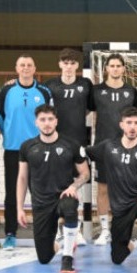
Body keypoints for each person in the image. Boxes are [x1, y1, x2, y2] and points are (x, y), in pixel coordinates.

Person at [86, 107, 137, 273]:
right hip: (120, 208)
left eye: (136, 123)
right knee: (117, 258)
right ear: (121, 125)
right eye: (129, 123)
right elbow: (82, 154)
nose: (132, 127)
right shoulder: (108, 146)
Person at [17, 105, 90, 273]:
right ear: (36, 122)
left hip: (64, 196)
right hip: (41, 203)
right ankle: (63, 242)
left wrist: (73, 186)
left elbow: (85, 174)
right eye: (42, 120)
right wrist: (20, 208)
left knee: (70, 207)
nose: (47, 123)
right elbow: (22, 178)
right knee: (44, 258)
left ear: (56, 121)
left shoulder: (71, 144)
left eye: (50, 119)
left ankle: (67, 258)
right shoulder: (27, 146)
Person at [0, 54, 51, 250]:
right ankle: (10, 234)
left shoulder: (44, 91)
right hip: (13, 149)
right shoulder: (6, 90)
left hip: (38, 149)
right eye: (22, 65)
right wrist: (10, 135)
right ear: (16, 68)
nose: (26, 68)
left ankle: (43, 233)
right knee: (12, 193)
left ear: (35, 68)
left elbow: (50, 118)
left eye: (29, 65)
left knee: (40, 193)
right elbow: (0, 116)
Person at [43, 48, 94, 247]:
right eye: (65, 63)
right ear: (60, 64)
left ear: (77, 65)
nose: (69, 66)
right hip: (56, 142)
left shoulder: (85, 84)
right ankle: (59, 228)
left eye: (73, 63)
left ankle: (75, 228)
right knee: (57, 185)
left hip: (78, 141)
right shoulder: (50, 85)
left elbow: (90, 108)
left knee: (76, 184)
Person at [89, 54, 137, 246]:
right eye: (112, 65)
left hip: (128, 147)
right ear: (106, 68)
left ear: (124, 69)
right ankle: (104, 231)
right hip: (103, 146)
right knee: (103, 188)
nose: (116, 69)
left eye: (119, 65)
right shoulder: (96, 91)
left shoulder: (132, 91)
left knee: (128, 190)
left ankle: (124, 229)